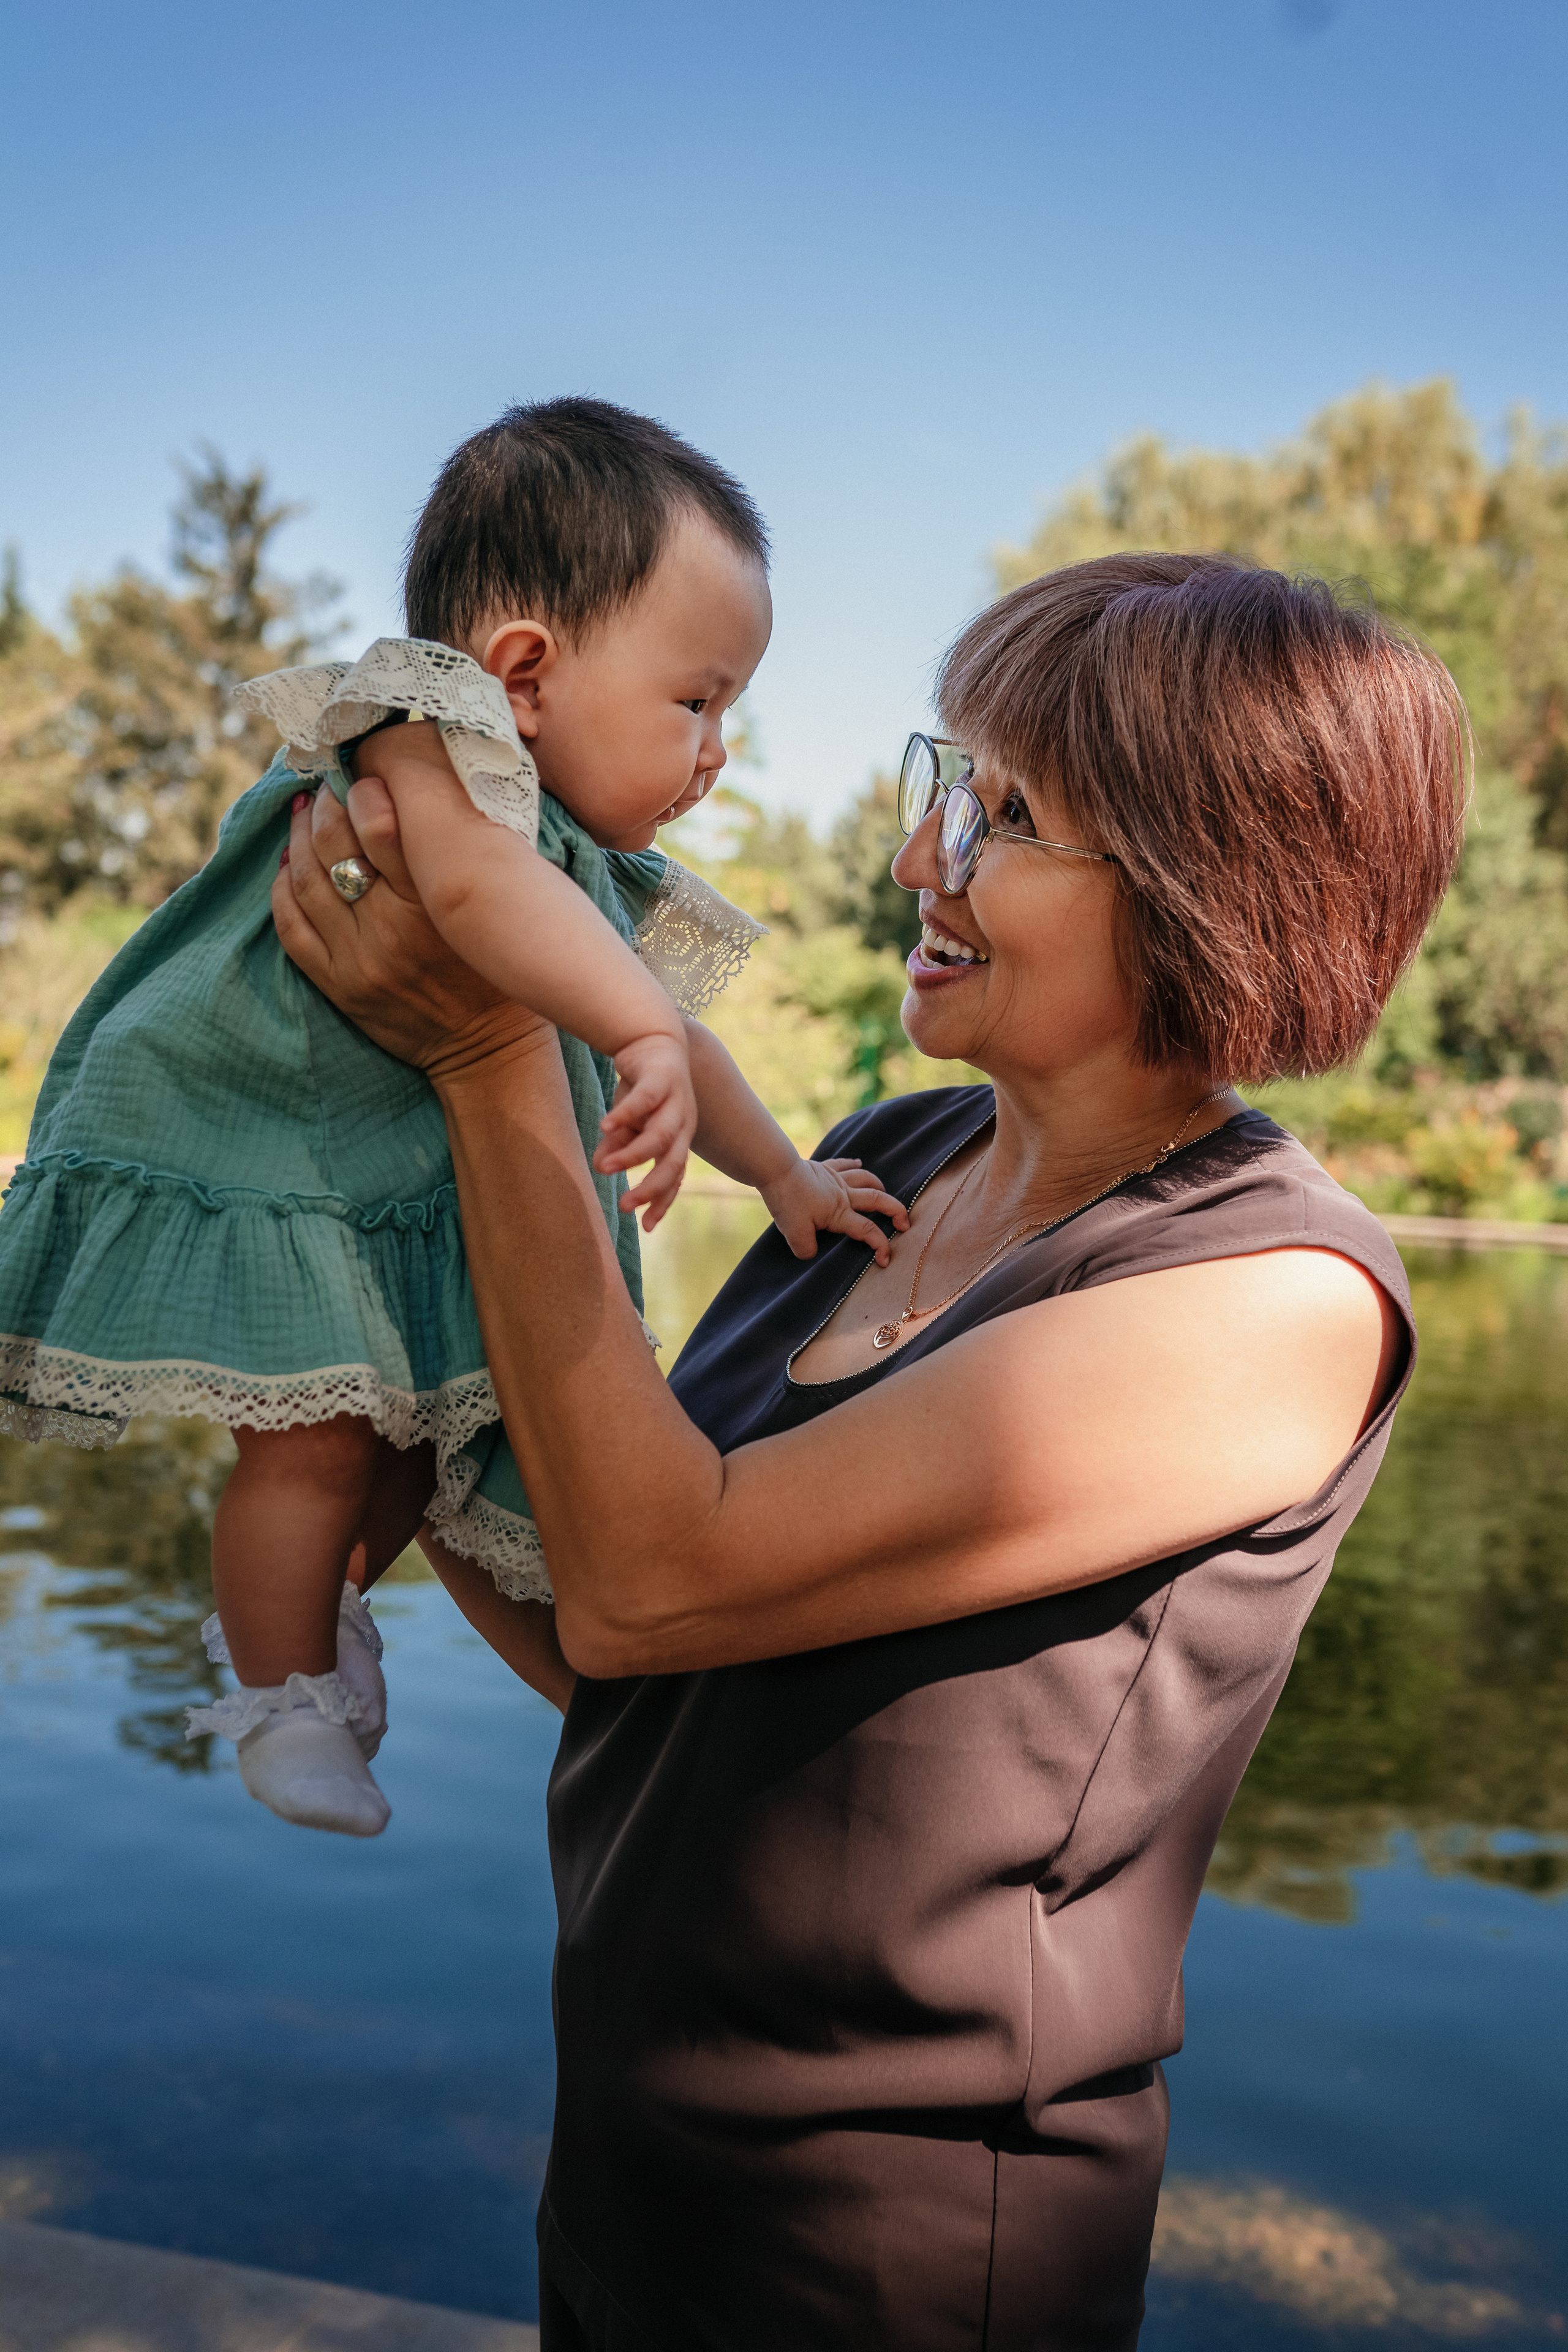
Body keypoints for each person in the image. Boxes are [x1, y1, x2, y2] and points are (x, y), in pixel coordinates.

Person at [276, 550, 1464, 2350]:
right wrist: (382, 1427)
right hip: (624, 2170)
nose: (922, 858)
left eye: (1006, 813)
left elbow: (659, 1581)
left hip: (891, 2255)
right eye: (944, 784)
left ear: (1213, 885)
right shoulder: (884, 1156)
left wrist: (493, 1045)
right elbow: (633, 1649)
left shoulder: (1271, 1292)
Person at [0, 399, 902, 1839]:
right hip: (282, 1149)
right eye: (696, 700)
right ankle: (279, 1695)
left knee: (419, 1444)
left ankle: (329, 1617)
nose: (718, 749)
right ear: (523, 673)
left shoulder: (575, 857)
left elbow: (686, 1030)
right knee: (312, 1440)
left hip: (409, 1194)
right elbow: (480, 902)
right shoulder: (426, 738)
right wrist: (626, 1030)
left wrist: (782, 1171)